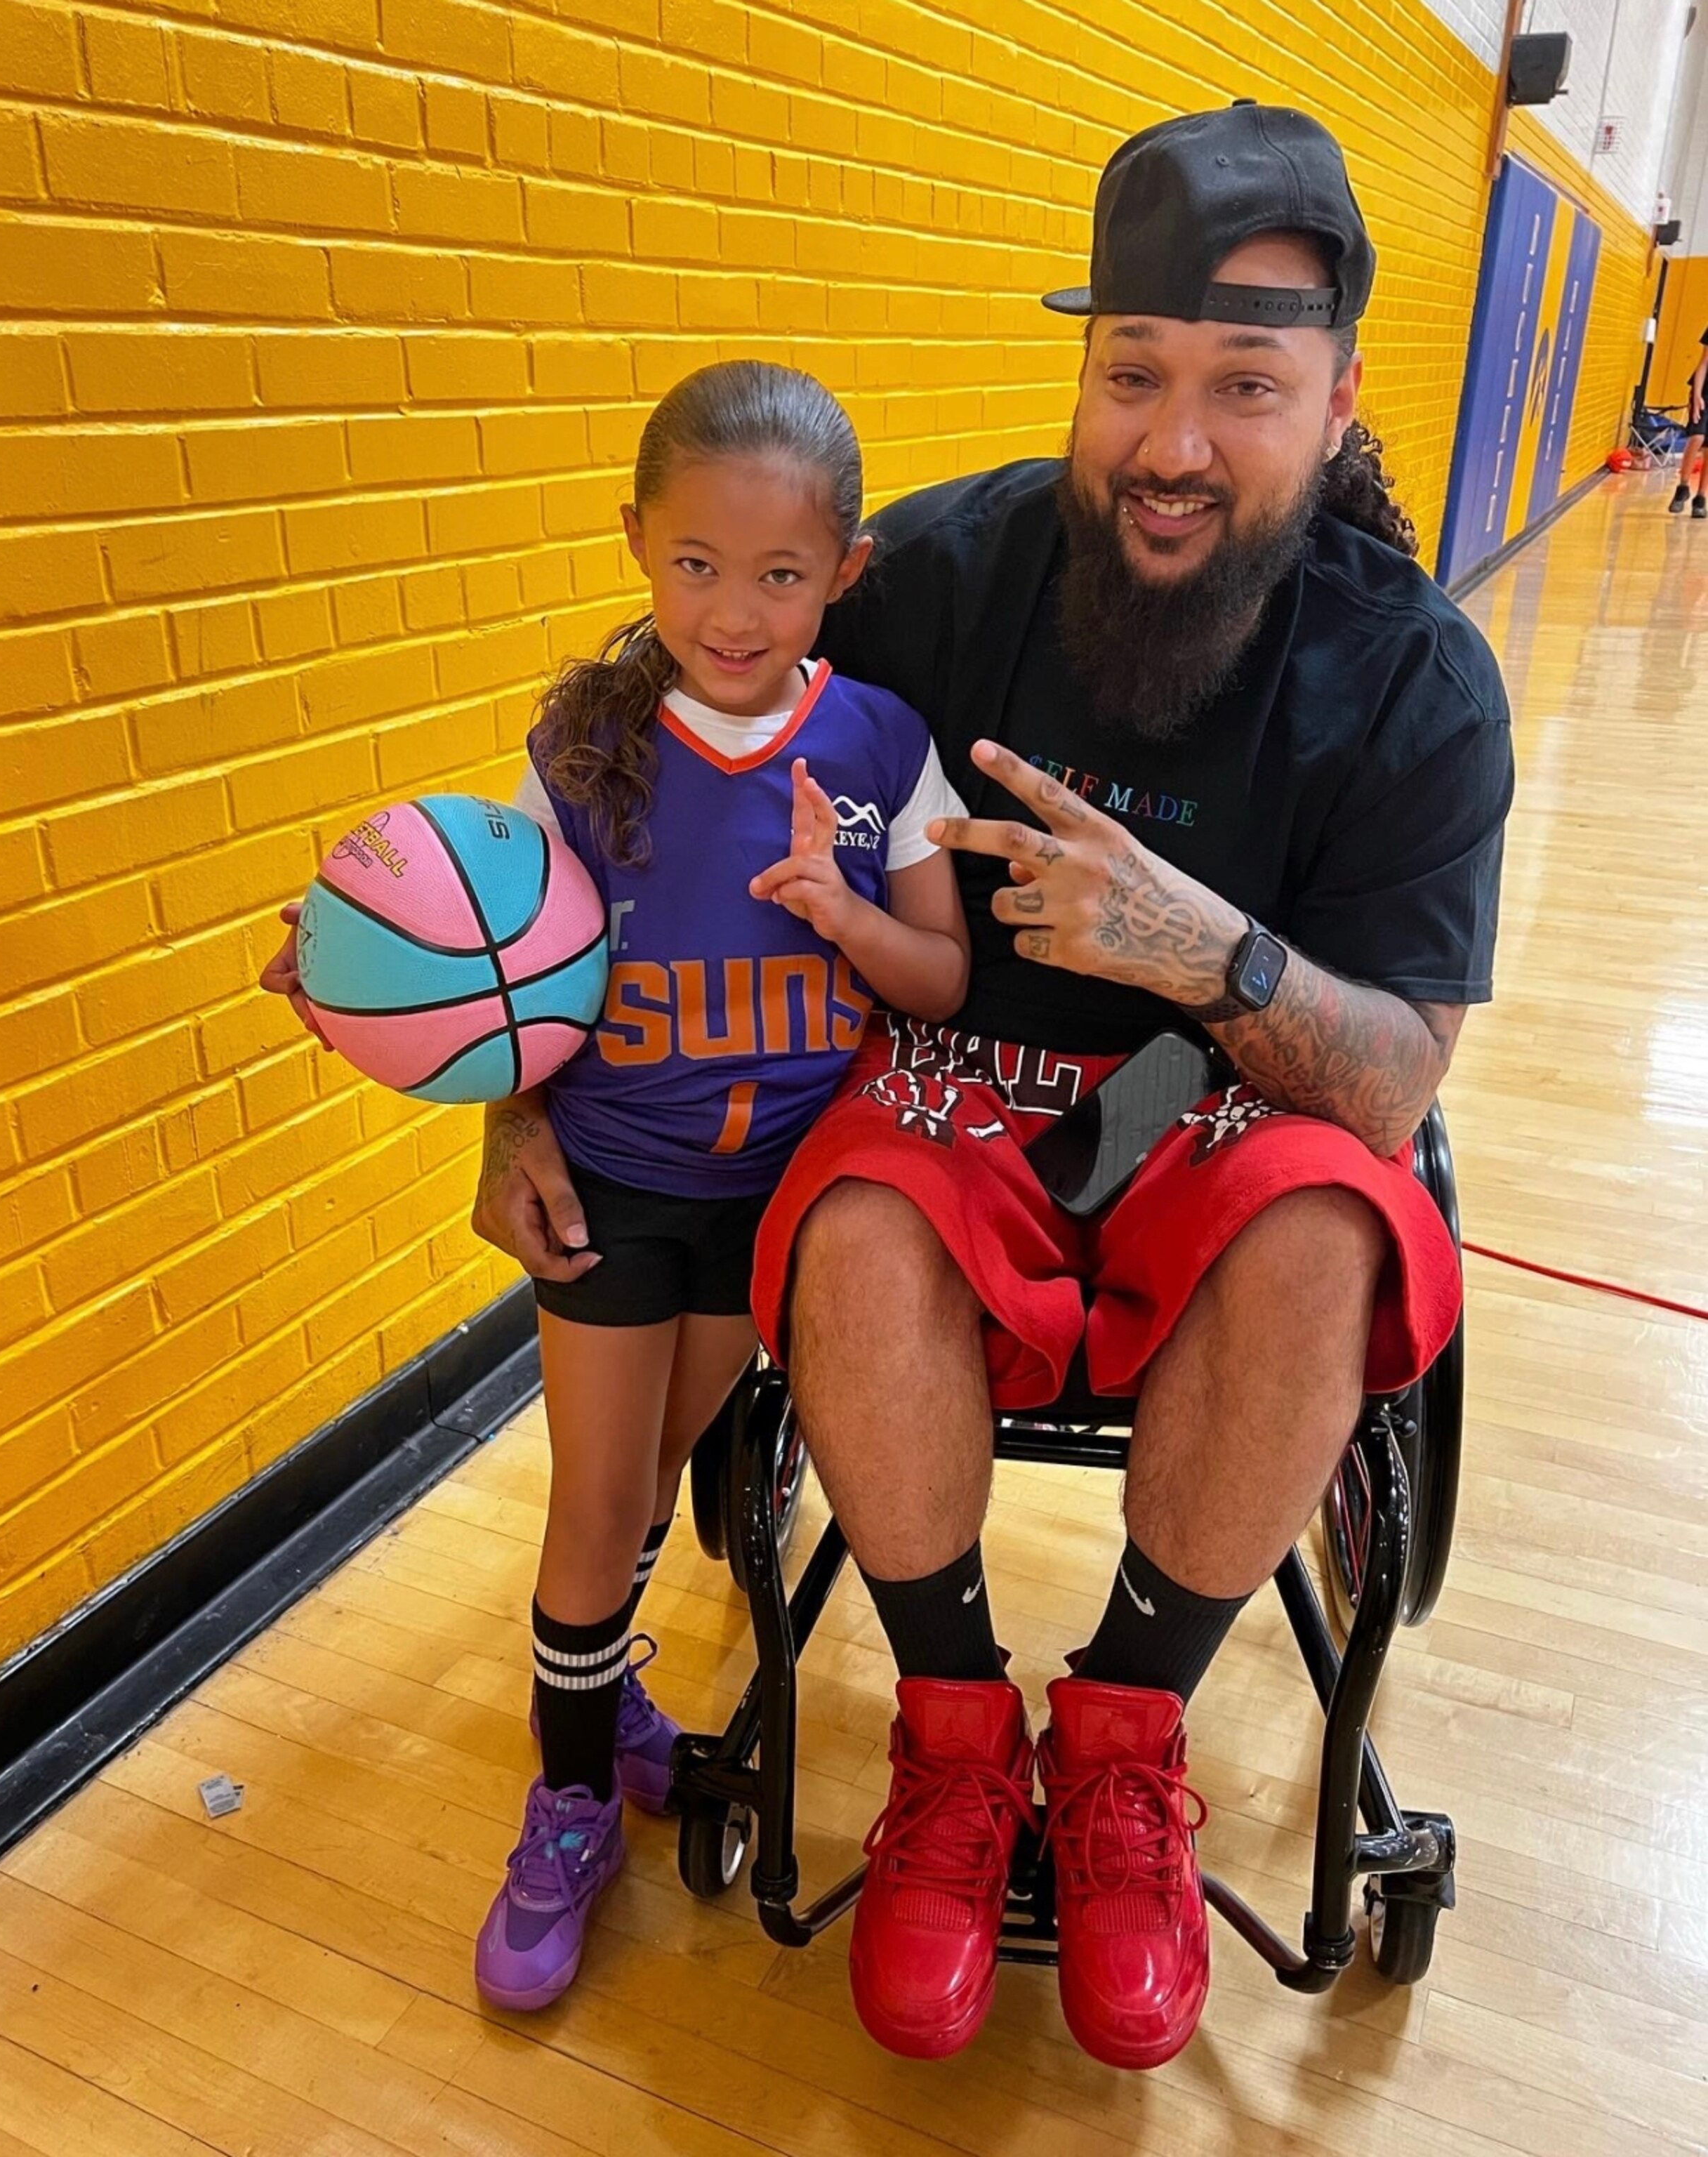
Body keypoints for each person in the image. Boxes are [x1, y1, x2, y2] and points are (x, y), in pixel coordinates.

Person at [479, 104, 1514, 2069]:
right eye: (1131, 376)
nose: (1173, 442)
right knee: (856, 1214)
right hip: (957, 1091)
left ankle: (1121, 1740)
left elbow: (1390, 1086)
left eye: (1243, 386)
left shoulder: (1411, 684)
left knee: (1325, 1221)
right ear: (1082, 370)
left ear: (1338, 395)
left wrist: (1192, 948)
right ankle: (953, 1735)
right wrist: (503, 1075)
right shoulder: (940, 574)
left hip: (1236, 1129)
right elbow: (650, 730)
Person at [264, 360, 970, 2011]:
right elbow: (492, 975)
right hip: (615, 1183)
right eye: (695, 563)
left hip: (773, 1202)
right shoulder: (580, 745)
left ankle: (609, 1700)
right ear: (639, 545)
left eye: (780, 572)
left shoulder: (880, 743)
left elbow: (937, 976)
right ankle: (569, 1791)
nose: (733, 608)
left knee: (651, 1475)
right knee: (596, 1500)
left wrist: (841, 909)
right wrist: (371, 988)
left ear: (842, 573)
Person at [1669, 330, 1708, 515]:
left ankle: (1701, 498)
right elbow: (1704, 362)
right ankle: (1683, 487)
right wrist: (1697, 395)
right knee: (1697, 437)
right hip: (1705, 394)